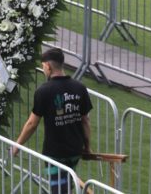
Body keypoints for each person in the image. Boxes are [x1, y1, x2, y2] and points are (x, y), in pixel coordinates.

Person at [12, 47, 93, 194]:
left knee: (58, 188)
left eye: (43, 66)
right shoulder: (79, 88)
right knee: (66, 186)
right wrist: (87, 147)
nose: (43, 70)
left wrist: (17, 145)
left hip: (55, 152)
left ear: (48, 66)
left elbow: (32, 123)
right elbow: (85, 120)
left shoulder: (44, 91)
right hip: (75, 149)